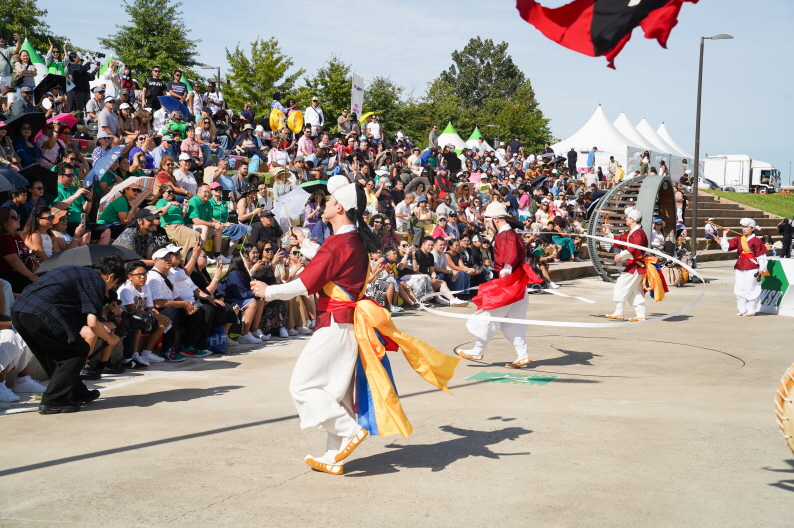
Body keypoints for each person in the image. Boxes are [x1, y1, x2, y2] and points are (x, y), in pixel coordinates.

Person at [250, 175, 459, 475]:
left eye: (330, 201)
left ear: (340, 208)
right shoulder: (350, 241)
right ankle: (333, 457)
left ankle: (348, 429)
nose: (323, 204)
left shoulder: (338, 243)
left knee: (303, 385)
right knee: (335, 392)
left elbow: (306, 283)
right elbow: (333, 266)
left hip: (334, 324)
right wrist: (308, 244)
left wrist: (267, 291)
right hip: (346, 325)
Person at [11, 255, 126, 414]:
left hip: (19, 311)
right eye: (115, 283)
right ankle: (54, 401)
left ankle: (75, 392)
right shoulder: (96, 282)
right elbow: (92, 323)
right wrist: (110, 338)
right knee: (76, 351)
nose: (112, 287)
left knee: (55, 355)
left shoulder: (80, 272)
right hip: (42, 314)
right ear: (111, 276)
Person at [457, 202, 542, 368]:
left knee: (487, 313)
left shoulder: (506, 236)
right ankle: (522, 355)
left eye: (488, 221)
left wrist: (504, 275)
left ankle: (478, 349)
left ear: (495, 219)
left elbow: (508, 258)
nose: (487, 225)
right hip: (517, 282)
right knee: (513, 321)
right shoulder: (510, 234)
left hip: (509, 283)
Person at [601, 207, 665, 321]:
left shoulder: (639, 233)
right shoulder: (633, 232)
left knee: (621, 286)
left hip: (636, 265)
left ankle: (619, 312)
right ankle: (640, 315)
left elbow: (634, 248)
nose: (626, 219)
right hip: (636, 265)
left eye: (628, 218)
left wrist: (621, 255)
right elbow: (621, 239)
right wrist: (608, 234)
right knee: (635, 291)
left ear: (633, 220)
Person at [117, 260, 171, 368]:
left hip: (142, 315)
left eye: (144, 274)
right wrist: (155, 315)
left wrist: (159, 316)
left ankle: (146, 352)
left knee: (164, 322)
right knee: (137, 323)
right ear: (129, 276)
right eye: (139, 275)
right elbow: (131, 309)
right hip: (125, 317)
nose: (143, 277)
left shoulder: (146, 287)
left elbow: (150, 307)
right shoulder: (126, 289)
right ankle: (134, 355)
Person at [720, 218, 769, 316]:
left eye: (746, 227)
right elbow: (726, 248)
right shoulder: (739, 239)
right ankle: (742, 310)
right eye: (743, 227)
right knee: (739, 288)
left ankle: (751, 311)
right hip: (740, 265)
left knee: (751, 288)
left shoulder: (757, 241)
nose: (744, 229)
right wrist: (725, 234)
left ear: (752, 228)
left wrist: (761, 269)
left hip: (752, 266)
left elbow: (761, 256)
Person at [152, 184, 201, 260]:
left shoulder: (174, 202)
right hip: (170, 226)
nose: (171, 193)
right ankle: (188, 259)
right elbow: (160, 213)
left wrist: (185, 206)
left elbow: (181, 217)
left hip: (180, 225)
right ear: (162, 193)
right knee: (194, 234)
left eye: (173, 192)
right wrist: (169, 204)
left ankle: (184, 258)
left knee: (195, 236)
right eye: (169, 192)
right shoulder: (161, 201)